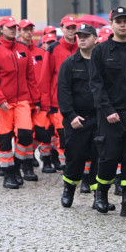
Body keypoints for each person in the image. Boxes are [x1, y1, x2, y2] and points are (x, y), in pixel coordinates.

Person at [89, 6, 126, 214]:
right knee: (108, 157)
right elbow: (96, 84)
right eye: (118, 21)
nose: (122, 24)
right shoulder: (100, 50)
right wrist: (108, 110)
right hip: (109, 114)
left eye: (125, 20)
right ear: (111, 24)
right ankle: (101, 194)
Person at [0, 16, 41, 188]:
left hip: (22, 100)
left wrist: (36, 99)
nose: (12, 30)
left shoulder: (23, 48)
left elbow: (31, 77)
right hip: (2, 102)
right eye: (8, 27)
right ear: (1, 29)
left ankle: (17, 166)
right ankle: (8, 174)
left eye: (14, 27)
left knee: (25, 135)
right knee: (4, 139)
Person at [57, 23, 100, 208]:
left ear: (95, 39)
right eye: (79, 36)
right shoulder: (69, 64)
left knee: (100, 158)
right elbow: (63, 92)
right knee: (75, 158)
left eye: (86, 36)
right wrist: (70, 116)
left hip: (99, 118)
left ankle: (99, 196)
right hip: (77, 120)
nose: (81, 39)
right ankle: (69, 189)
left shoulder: (102, 63)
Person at [41, 15, 79, 173]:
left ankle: (77, 165)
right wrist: (46, 103)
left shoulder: (82, 46)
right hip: (58, 101)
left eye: (73, 28)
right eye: (67, 28)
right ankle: (67, 165)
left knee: (80, 135)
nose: (70, 31)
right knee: (63, 135)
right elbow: (45, 77)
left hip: (80, 100)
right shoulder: (53, 49)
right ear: (61, 29)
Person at [19, 19, 51, 174]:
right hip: (22, 100)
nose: (29, 33)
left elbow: (46, 78)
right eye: (25, 30)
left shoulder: (41, 53)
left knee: (41, 131)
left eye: (31, 29)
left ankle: (22, 155)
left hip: (38, 100)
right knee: (24, 134)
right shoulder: (15, 52)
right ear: (19, 32)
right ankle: (26, 165)